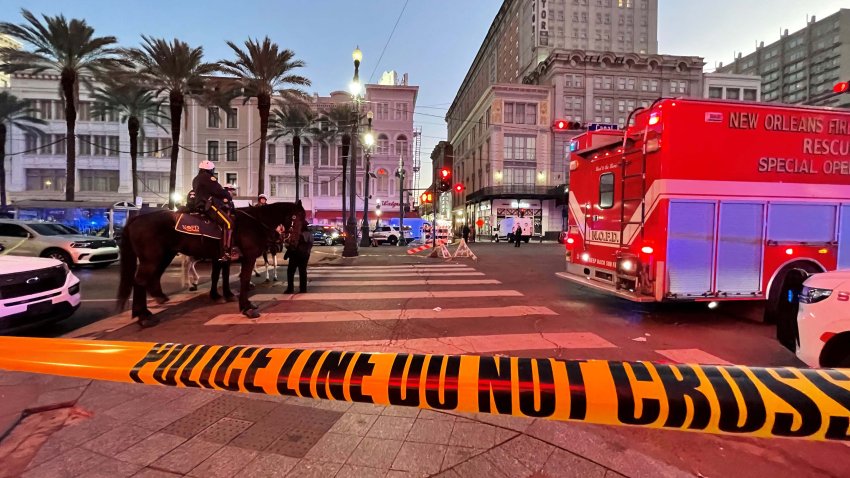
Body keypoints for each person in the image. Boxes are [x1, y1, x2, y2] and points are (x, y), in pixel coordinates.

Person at [192, 160, 236, 261]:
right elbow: (218, 190)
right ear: (210, 170)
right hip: (208, 205)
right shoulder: (208, 178)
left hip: (199, 205)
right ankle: (226, 251)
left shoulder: (196, 178)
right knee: (229, 223)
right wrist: (227, 195)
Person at [284, 223, 313, 294]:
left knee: (290, 272)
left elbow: (292, 245)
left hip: (295, 255)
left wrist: (288, 244)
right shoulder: (309, 234)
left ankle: (290, 289)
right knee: (303, 272)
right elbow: (311, 244)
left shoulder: (296, 234)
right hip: (305, 255)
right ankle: (303, 289)